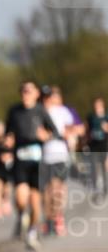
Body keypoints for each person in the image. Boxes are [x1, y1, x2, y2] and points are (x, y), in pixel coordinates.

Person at [6, 80, 58, 250]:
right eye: (23, 90)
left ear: (36, 94)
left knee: (35, 202)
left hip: (37, 161)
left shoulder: (41, 110)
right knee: (21, 198)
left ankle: (32, 232)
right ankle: (23, 215)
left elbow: (55, 132)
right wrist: (8, 140)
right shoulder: (14, 111)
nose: (25, 94)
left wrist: (46, 136)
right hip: (20, 159)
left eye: (29, 91)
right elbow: (8, 132)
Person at [40, 86, 74, 237]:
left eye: (50, 96)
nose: (47, 99)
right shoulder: (39, 112)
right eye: (45, 97)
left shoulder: (62, 111)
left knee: (58, 189)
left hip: (60, 155)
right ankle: (49, 220)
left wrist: (68, 136)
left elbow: (71, 129)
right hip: (44, 155)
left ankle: (57, 217)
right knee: (47, 191)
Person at [86, 97, 107, 198]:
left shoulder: (106, 117)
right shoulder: (91, 117)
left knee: (104, 166)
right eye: (95, 105)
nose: (96, 107)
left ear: (102, 106)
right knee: (93, 166)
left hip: (104, 145)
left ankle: (105, 187)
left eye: (98, 105)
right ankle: (95, 187)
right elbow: (87, 130)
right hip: (93, 145)